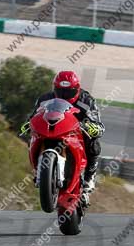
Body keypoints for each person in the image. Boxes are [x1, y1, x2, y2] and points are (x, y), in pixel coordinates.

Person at [22, 71, 105, 205]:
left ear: (77, 89)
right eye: (60, 92)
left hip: (75, 133)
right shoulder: (44, 99)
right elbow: (33, 116)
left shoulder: (87, 100)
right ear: (54, 89)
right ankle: (39, 172)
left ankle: (89, 178)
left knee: (94, 144)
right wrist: (28, 124)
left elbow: (99, 124)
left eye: (68, 92)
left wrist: (92, 127)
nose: (64, 96)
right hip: (52, 130)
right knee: (32, 138)